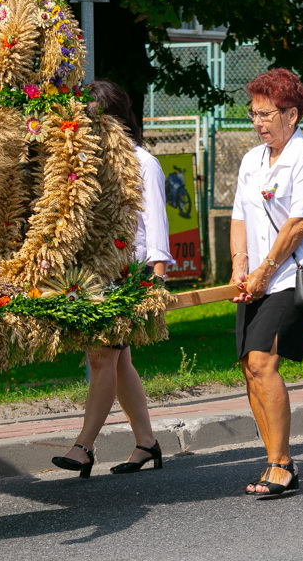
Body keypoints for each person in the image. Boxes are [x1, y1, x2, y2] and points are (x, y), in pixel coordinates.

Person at [51, 80, 173, 477]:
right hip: (100, 275)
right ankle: (147, 443)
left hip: (131, 276)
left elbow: (156, 227)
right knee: (118, 363)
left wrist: (155, 281)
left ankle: (83, 446)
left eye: (94, 121)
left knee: (103, 356)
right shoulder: (92, 165)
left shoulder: (143, 162)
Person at [230, 68, 303, 495]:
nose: (258, 122)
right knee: (249, 368)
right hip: (253, 278)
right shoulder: (252, 160)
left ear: (291, 115)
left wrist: (264, 270)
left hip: (293, 274)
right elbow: (238, 216)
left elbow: (300, 223)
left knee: (262, 361)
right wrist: (239, 265)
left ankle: (282, 463)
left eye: (266, 113)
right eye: (254, 114)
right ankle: (274, 459)